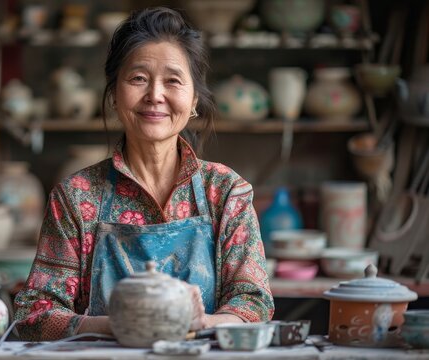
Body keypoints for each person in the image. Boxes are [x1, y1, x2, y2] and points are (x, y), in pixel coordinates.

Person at [14, 7, 274, 341]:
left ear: (194, 99)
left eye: (173, 81)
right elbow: (35, 313)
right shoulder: (76, 196)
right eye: (138, 79)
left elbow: (254, 301)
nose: (155, 95)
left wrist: (202, 323)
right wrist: (120, 323)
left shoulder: (225, 191)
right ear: (114, 95)